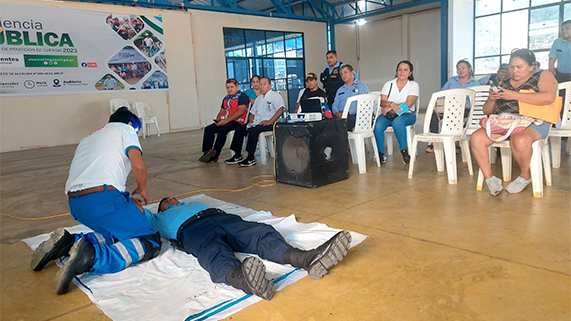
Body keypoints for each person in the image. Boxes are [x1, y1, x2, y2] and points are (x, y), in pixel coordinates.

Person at [30, 107, 162, 294]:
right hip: (102, 199)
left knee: (116, 233)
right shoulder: (126, 129)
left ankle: (67, 243)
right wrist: (142, 189)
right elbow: (138, 166)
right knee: (148, 241)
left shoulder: (89, 137)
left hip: (77, 204)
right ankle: (92, 257)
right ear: (132, 124)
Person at [142, 196, 352, 300]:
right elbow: (137, 212)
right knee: (211, 252)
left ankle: (306, 259)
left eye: (172, 198)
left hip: (222, 218)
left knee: (260, 233)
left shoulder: (194, 203)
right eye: (165, 202)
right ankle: (245, 280)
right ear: (160, 209)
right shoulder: (157, 219)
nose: (171, 200)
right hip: (191, 230)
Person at [470, 49, 558, 196]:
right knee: (476, 138)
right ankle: (490, 179)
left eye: (519, 67)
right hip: (506, 121)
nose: (514, 71)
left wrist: (514, 95)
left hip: (534, 121)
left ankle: (525, 176)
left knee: (520, 140)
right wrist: (492, 98)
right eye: (511, 67)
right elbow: (487, 111)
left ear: (532, 66)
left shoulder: (543, 75)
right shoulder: (504, 83)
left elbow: (549, 97)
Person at [225, 77, 284, 167]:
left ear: (270, 85)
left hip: (271, 123)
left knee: (253, 131)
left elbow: (280, 110)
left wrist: (269, 121)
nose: (262, 86)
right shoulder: (259, 99)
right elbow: (252, 113)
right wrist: (250, 121)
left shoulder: (275, 96)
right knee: (240, 129)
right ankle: (237, 155)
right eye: (260, 84)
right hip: (257, 122)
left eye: (264, 84)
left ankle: (251, 157)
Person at [426, 59, 480, 153]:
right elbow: (441, 93)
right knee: (434, 115)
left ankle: (456, 143)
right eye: (458, 69)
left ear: (469, 69)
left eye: (463, 68)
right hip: (448, 107)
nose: (460, 71)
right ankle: (434, 142)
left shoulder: (475, 83)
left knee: (456, 115)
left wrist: (465, 106)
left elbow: (476, 100)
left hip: (465, 109)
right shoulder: (452, 80)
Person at [374, 60, 419, 165]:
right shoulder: (389, 84)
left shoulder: (413, 85)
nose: (402, 72)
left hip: (408, 114)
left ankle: (404, 151)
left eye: (405, 70)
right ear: (396, 71)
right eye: (400, 69)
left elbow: (409, 103)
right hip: (389, 114)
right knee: (377, 125)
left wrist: (392, 109)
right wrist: (391, 105)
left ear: (410, 72)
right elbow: (382, 101)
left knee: (398, 122)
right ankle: (380, 153)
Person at [199, 78, 249, 163]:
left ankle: (215, 154)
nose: (229, 89)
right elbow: (222, 110)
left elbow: (240, 112)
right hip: (225, 121)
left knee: (223, 130)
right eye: (227, 87)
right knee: (209, 129)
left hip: (237, 122)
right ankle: (207, 152)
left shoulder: (242, 96)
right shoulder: (226, 98)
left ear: (237, 86)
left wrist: (226, 121)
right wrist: (218, 119)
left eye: (232, 87)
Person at [331, 64, 369, 131]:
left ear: (352, 73)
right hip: (340, 116)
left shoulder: (361, 86)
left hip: (356, 116)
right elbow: (335, 104)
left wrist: (347, 113)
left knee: (344, 124)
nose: (343, 76)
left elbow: (364, 103)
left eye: (345, 73)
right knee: (328, 124)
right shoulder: (340, 89)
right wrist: (336, 113)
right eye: (342, 74)